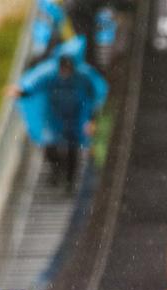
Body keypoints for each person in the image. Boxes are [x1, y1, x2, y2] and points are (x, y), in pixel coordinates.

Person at [9, 53, 108, 190]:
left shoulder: (82, 79)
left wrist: (90, 119)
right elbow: (37, 86)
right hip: (54, 119)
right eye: (63, 70)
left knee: (73, 150)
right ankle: (56, 171)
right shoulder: (51, 78)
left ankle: (69, 181)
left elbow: (90, 99)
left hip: (75, 119)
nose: (65, 73)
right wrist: (23, 92)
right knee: (50, 146)